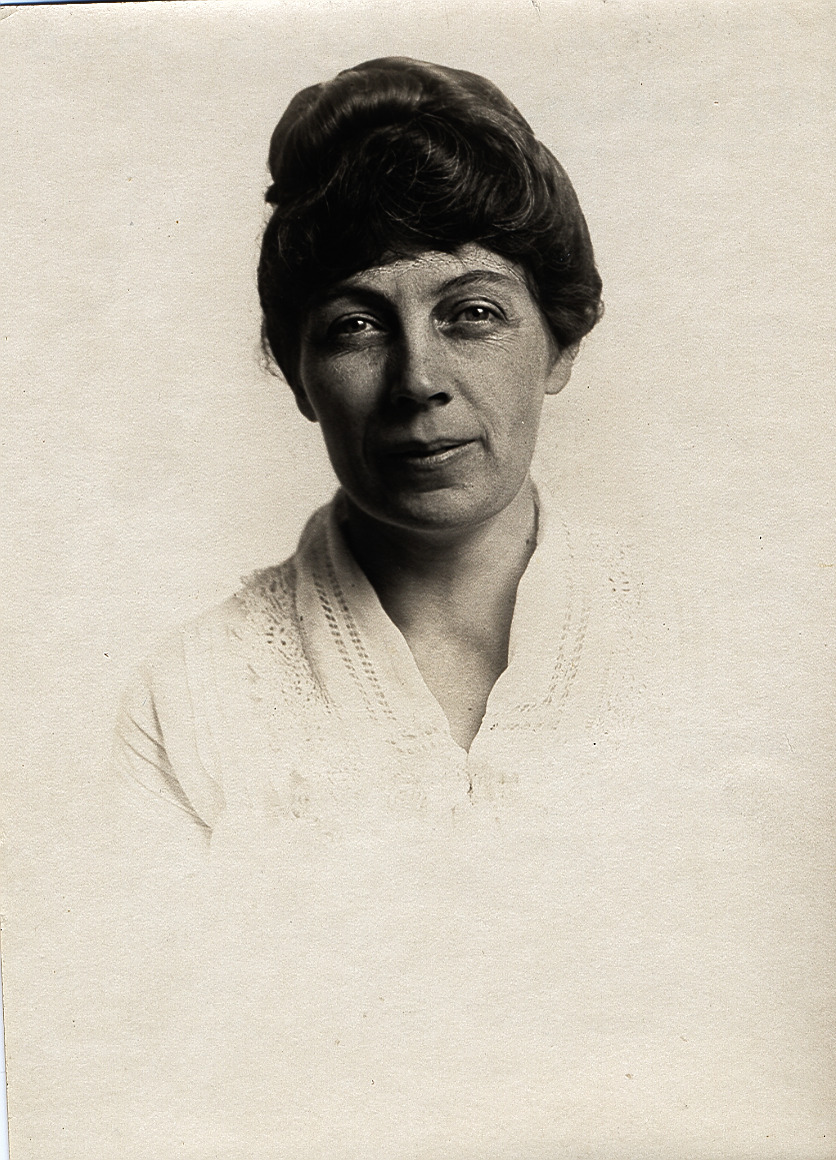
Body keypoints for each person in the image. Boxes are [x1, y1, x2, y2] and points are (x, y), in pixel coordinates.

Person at [114, 56, 646, 850]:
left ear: (560, 343)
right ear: (297, 373)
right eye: (354, 327)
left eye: (472, 313)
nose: (417, 381)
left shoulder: (707, 647)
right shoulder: (185, 699)